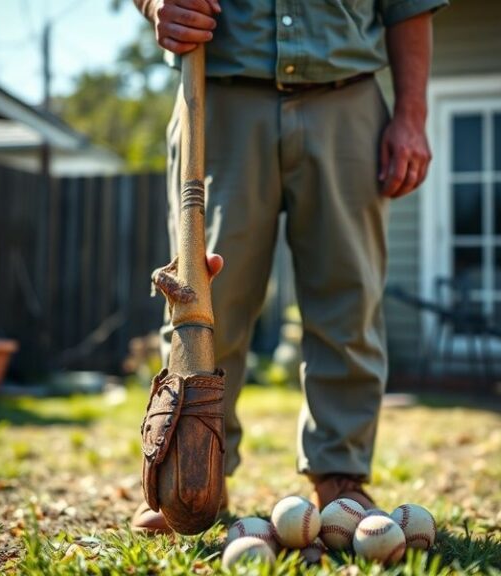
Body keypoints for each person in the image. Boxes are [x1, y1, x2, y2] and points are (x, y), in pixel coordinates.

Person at [132, 0, 447, 532]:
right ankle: (196, 471)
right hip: (217, 97)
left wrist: (412, 115)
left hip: (346, 97)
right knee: (204, 294)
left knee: (349, 296)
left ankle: (340, 474)